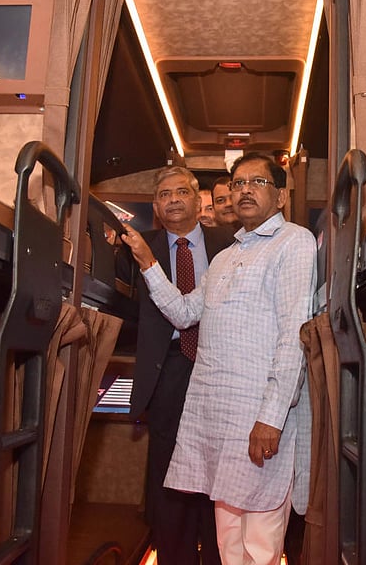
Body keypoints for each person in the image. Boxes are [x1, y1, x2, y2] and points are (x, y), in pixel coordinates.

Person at [121, 153, 316, 565]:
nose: (245, 189)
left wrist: (272, 417)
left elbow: (293, 335)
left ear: (281, 196)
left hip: (259, 419)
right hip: (217, 423)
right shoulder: (226, 256)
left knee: (259, 546)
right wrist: (148, 262)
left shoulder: (294, 242)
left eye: (257, 183)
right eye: (239, 182)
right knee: (228, 545)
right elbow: (183, 313)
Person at [116, 165, 234, 565]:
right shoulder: (134, 248)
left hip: (219, 364)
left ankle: (217, 555)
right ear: (155, 205)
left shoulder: (231, 243)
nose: (173, 200)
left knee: (218, 467)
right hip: (167, 366)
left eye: (181, 191)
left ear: (197, 198)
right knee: (168, 470)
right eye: (164, 195)